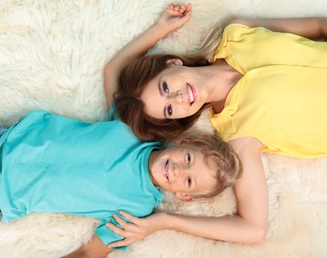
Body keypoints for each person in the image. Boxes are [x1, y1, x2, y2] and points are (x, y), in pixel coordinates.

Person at [102, 3, 327, 248]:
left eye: (165, 86)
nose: (177, 98)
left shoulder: (237, 33)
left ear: (172, 62)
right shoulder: (238, 135)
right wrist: (164, 221)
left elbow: (319, 26)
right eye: (169, 109)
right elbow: (254, 230)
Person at [0, 110, 242, 257]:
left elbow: (90, 252)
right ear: (184, 142)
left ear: (183, 196)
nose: (179, 170)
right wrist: (160, 28)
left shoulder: (136, 214)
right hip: (11, 137)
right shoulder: (139, 128)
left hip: (6, 194)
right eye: (188, 159)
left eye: (189, 181)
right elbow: (115, 72)